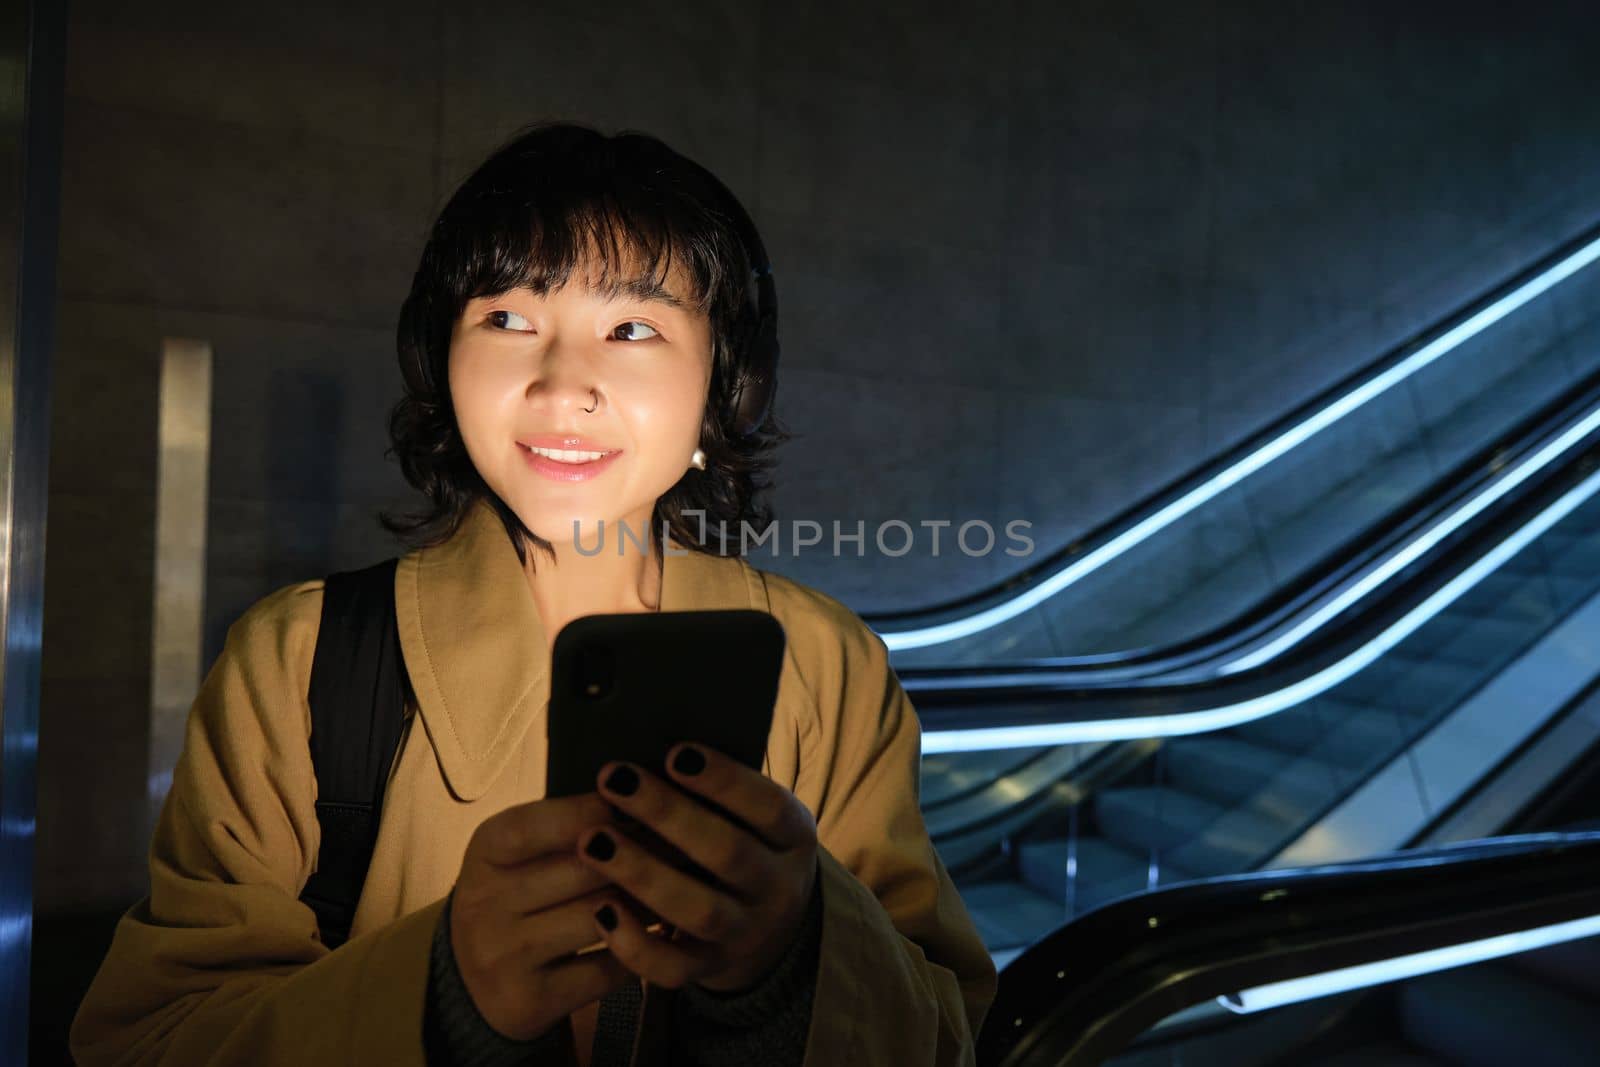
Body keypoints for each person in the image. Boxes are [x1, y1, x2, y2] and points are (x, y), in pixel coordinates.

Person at [69, 121, 997, 1066]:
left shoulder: (827, 668)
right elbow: (153, 1038)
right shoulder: (297, 660)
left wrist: (791, 955)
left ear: (723, 377)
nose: (562, 387)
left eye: (633, 328)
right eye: (508, 317)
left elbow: (943, 1036)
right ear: (444, 351)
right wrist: (442, 991)